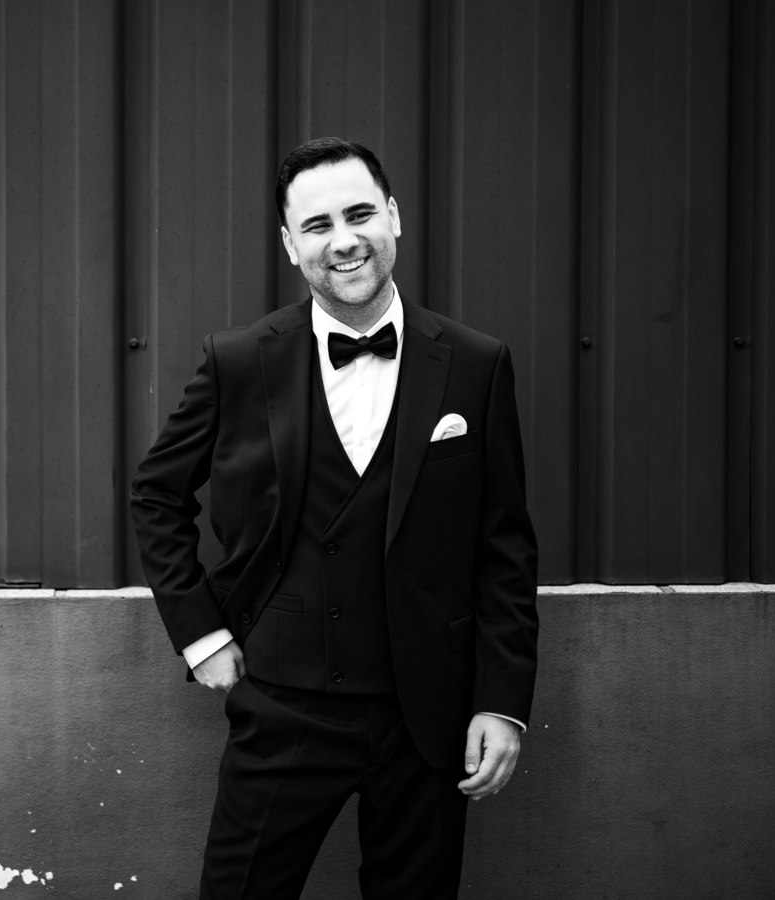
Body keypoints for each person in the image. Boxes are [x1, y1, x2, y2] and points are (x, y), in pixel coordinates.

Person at [130, 137, 538, 899]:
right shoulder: (239, 360)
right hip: (283, 704)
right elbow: (156, 494)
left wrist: (502, 702)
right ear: (292, 245)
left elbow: (504, 544)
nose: (344, 240)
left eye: (360, 214)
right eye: (317, 225)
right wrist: (201, 634)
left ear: (394, 216)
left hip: (429, 714)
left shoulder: (476, 363)